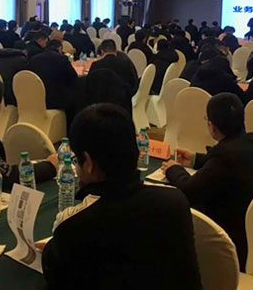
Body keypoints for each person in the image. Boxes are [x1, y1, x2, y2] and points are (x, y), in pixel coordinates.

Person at [40, 103, 203, 290]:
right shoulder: (175, 202)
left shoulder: (73, 227)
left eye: (76, 160)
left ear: (89, 163)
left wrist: (54, 250)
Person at [162, 93, 253, 270]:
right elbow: (227, 165)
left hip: (238, 235)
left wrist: (173, 169)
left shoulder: (225, 155)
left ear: (212, 126)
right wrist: (194, 159)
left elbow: (189, 191)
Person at [29, 40, 78, 111]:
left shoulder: (34, 59)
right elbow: (73, 77)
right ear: (59, 48)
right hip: (58, 98)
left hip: (38, 97)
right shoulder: (62, 58)